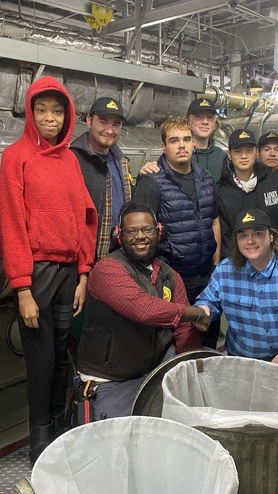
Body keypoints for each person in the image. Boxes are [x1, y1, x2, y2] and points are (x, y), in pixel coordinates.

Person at [0, 76, 98, 463]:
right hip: (36, 274)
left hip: (69, 271)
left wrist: (84, 272)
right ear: (30, 113)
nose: (49, 118)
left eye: (57, 111)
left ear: (68, 115)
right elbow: (9, 222)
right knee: (39, 360)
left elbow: (86, 216)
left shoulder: (70, 160)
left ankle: (58, 426)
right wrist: (22, 288)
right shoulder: (15, 157)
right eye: (41, 110)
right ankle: (40, 439)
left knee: (59, 355)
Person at [76, 202, 206, 419]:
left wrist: (189, 381)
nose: (140, 236)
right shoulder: (106, 269)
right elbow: (144, 309)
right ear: (119, 235)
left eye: (147, 229)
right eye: (132, 231)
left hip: (152, 372)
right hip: (111, 380)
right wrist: (196, 312)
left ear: (158, 232)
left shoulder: (169, 275)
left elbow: (184, 331)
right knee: (118, 445)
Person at [195, 209, 278, 390]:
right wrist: (203, 310)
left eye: (257, 234)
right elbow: (208, 302)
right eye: (243, 236)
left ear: (271, 236)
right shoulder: (225, 271)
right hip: (243, 358)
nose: (250, 241)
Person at [133, 117, 221, 348]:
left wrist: (215, 258)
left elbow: (214, 220)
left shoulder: (205, 179)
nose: (181, 145)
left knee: (209, 335)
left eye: (186, 139)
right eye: (174, 140)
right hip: (173, 280)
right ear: (164, 147)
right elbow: (140, 235)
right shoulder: (151, 183)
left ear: (193, 143)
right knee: (180, 342)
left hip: (206, 277)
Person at [217, 128, 278, 258]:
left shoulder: (275, 182)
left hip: (277, 259)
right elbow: (225, 235)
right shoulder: (222, 191)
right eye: (238, 152)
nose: (244, 156)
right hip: (240, 264)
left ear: (256, 153)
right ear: (229, 155)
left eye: (248, 151)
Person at [71, 97, 133, 260]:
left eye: (116, 124)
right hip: (87, 258)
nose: (109, 130)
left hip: (120, 253)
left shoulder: (121, 161)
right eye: (103, 122)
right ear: (89, 121)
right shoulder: (73, 160)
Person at [137, 98, 226, 184]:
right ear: (187, 121)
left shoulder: (221, 156)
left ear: (215, 123)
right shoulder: (175, 155)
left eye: (210, 117)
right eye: (198, 117)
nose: (205, 122)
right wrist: (143, 174)